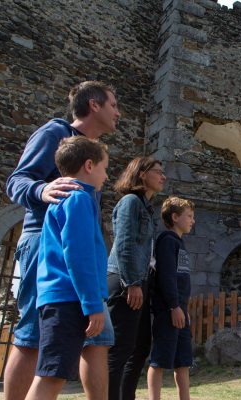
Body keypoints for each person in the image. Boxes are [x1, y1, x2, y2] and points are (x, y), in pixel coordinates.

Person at [5, 81, 120, 400]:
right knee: (31, 336)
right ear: (94, 105)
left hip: (81, 262)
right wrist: (40, 190)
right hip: (44, 243)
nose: (118, 112)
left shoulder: (93, 156)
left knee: (99, 338)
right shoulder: (54, 133)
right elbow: (16, 181)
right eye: (113, 104)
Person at [25, 136, 113, 400]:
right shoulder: (78, 200)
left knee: (54, 372)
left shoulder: (69, 200)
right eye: (104, 168)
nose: (106, 176)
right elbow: (79, 256)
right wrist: (92, 304)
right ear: (89, 165)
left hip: (64, 298)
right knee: (52, 375)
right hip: (69, 299)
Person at [107, 156, 166, 400]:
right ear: (142, 174)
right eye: (158, 171)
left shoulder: (147, 207)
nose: (163, 176)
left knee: (139, 348)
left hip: (139, 281)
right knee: (119, 349)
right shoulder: (131, 202)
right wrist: (131, 283)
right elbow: (124, 244)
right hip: (124, 280)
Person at [147, 197, 195, 400]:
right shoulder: (167, 241)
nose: (193, 221)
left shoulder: (179, 242)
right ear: (175, 217)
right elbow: (166, 276)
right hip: (168, 310)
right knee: (159, 359)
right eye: (189, 216)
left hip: (179, 309)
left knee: (183, 360)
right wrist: (174, 306)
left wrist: (184, 308)